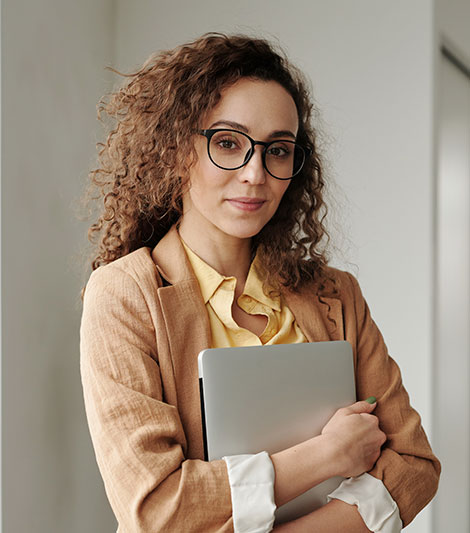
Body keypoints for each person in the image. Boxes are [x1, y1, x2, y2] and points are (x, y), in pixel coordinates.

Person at [80, 33, 440, 533]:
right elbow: (158, 508)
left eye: (278, 149)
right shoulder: (125, 295)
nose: (256, 173)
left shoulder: (336, 295)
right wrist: (326, 455)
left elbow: (415, 466)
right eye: (228, 143)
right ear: (178, 148)